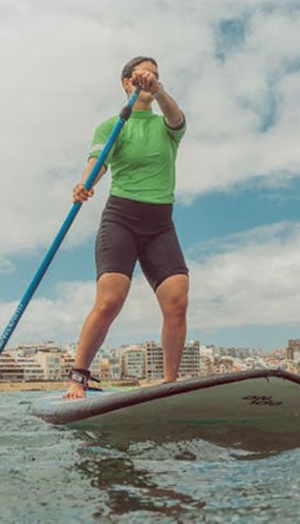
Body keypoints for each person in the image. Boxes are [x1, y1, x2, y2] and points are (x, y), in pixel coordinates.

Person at [65, 56, 189, 399]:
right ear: (125, 83)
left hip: (161, 224)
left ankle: (170, 383)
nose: (149, 79)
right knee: (110, 301)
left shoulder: (167, 125)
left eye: (155, 75)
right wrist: (84, 183)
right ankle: (78, 377)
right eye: (140, 75)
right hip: (121, 218)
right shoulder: (111, 126)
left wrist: (158, 89)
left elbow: (176, 118)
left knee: (177, 299)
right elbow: (98, 163)